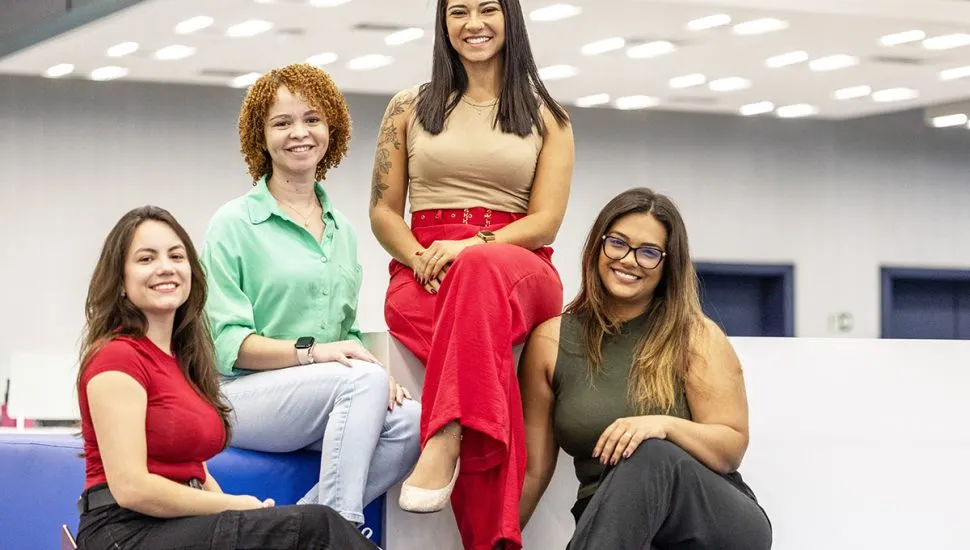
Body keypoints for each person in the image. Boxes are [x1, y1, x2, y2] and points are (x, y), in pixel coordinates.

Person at [368, 0, 575, 547]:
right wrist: (418, 258)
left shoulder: (549, 116)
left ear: (510, 18)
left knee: (480, 271)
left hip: (517, 265)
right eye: (458, 11)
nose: (473, 24)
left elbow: (546, 221)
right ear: (443, 22)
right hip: (425, 268)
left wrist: (471, 247)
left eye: (488, 9)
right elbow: (384, 211)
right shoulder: (407, 106)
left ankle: (446, 434)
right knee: (485, 369)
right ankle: (493, 541)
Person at [75, 206, 375, 549]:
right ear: (120, 281)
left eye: (176, 256)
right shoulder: (118, 357)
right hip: (124, 530)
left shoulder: (183, 362)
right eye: (146, 259)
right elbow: (132, 488)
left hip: (175, 525)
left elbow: (197, 472)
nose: (165, 267)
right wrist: (232, 506)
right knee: (317, 527)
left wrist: (243, 511)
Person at [202, 64, 420, 527]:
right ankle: (339, 528)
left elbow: (344, 333)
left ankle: (298, 528)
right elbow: (227, 346)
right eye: (282, 123)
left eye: (312, 119)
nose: (299, 133)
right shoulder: (232, 225)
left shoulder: (342, 230)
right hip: (238, 397)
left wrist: (379, 376)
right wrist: (316, 354)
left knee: (412, 422)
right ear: (261, 138)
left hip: (321, 396)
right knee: (361, 382)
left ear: (331, 129)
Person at [517, 188, 773, 549]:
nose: (629, 260)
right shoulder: (551, 341)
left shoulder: (696, 335)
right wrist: (494, 543)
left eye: (649, 252)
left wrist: (663, 426)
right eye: (618, 243)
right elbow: (533, 470)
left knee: (649, 450)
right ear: (598, 245)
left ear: (668, 265)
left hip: (711, 521)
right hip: (614, 525)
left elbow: (730, 448)